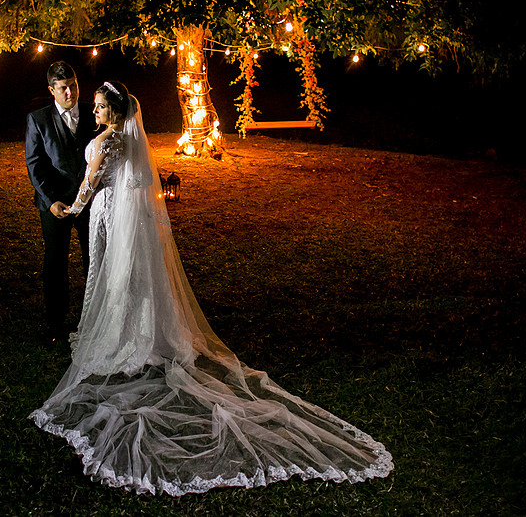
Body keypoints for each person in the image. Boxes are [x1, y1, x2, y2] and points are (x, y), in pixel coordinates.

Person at [29, 81, 394, 496]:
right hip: (118, 215)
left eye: (98, 106)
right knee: (123, 279)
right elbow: (140, 179)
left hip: (104, 216)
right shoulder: (123, 139)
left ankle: (116, 334)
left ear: (114, 112)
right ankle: (131, 329)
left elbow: (91, 183)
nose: (92, 112)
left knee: (110, 277)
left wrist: (68, 210)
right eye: (92, 106)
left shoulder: (108, 141)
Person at [25, 62, 97, 343]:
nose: (70, 92)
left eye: (74, 85)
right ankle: (55, 322)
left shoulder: (95, 112)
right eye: (63, 88)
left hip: (91, 202)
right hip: (54, 204)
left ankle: (95, 319)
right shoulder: (37, 119)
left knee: (94, 260)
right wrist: (50, 200)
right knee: (55, 263)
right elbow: (35, 164)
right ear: (51, 90)